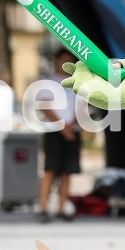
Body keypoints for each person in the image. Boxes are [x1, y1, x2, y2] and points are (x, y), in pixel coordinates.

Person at [37, 48, 82, 223]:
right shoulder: (48, 82)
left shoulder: (76, 83)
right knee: (50, 169)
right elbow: (45, 107)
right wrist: (63, 127)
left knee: (67, 171)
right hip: (54, 131)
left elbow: (81, 108)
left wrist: (71, 126)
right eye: (62, 60)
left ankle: (61, 208)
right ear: (56, 61)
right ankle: (43, 207)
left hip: (72, 131)